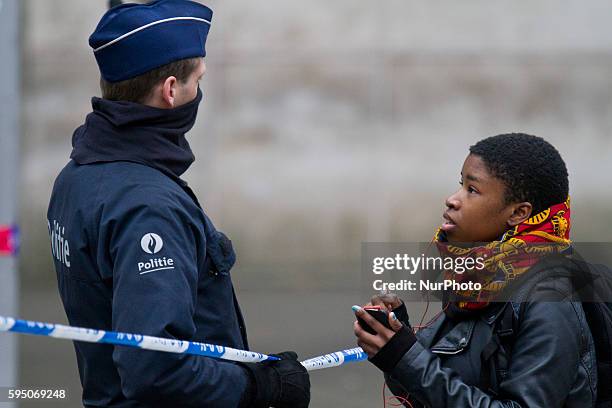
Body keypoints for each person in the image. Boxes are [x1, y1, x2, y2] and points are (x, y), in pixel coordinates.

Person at [46, 1, 310, 407]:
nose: (199, 91)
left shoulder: (76, 176)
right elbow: (157, 372)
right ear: (171, 91)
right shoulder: (147, 205)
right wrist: (261, 388)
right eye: (197, 80)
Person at [353, 133, 598, 407]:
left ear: (518, 213)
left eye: (472, 190)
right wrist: (398, 338)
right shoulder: (478, 282)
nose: (452, 199)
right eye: (461, 184)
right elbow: (432, 391)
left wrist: (405, 357)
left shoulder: (549, 300)